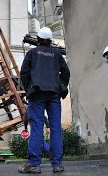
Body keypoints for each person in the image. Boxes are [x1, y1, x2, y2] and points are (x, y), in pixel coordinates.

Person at [19, 27, 70, 173]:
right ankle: (57, 164)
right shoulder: (57, 54)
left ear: (38, 39)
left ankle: (34, 164)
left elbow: (24, 73)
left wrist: (30, 87)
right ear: (50, 40)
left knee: (36, 128)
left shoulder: (32, 53)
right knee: (55, 129)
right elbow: (66, 72)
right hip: (54, 94)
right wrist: (61, 86)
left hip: (37, 93)